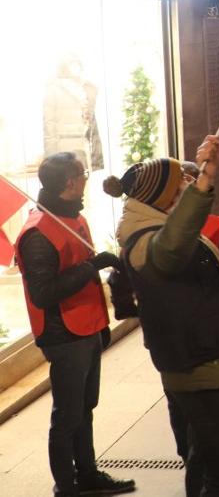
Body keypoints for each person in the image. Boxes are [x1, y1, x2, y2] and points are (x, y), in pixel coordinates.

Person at [106, 136, 219, 496]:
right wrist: (206, 182)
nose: (187, 183)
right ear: (164, 198)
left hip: (201, 363)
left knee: (200, 459)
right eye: (180, 181)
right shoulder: (148, 242)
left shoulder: (150, 233)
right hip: (201, 366)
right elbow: (172, 249)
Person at [15, 153, 135, 496]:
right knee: (67, 416)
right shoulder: (37, 232)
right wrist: (92, 266)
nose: (86, 178)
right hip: (64, 335)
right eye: (82, 174)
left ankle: (88, 475)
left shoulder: (71, 217)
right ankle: (66, 487)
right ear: (69, 183)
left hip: (86, 327)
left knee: (85, 409)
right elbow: (43, 293)